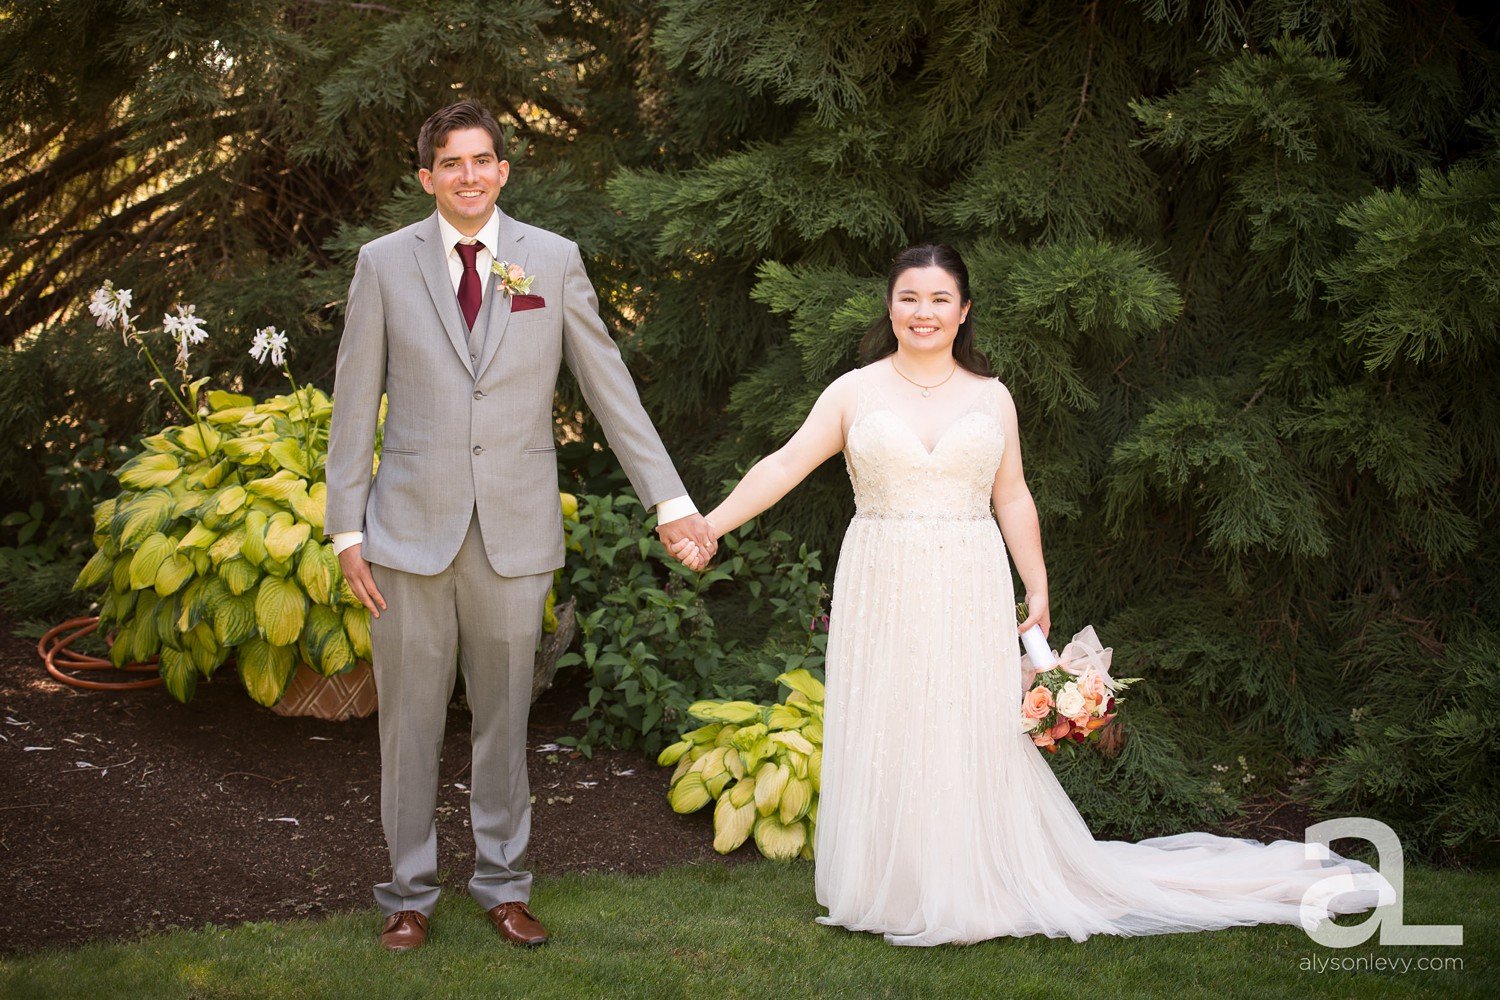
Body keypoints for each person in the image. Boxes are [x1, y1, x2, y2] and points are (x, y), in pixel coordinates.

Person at [670, 243, 1392, 946]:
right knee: (893, 715)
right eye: (909, 298)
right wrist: (712, 525)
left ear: (963, 312)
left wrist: (1037, 582)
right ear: (890, 307)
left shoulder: (992, 396)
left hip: (968, 575)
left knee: (964, 722)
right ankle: (893, 884)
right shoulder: (854, 391)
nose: (923, 312)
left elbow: (1012, 494)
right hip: (881, 577)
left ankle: (971, 878)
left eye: (939, 300)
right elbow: (787, 462)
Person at [325, 101, 716, 952]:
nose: (469, 174)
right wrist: (344, 531)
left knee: (505, 721)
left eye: (483, 160)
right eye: (450, 162)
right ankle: (408, 894)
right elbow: (355, 404)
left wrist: (671, 500)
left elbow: (609, 387)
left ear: (504, 170)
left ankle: (504, 886)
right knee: (410, 727)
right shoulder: (384, 264)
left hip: (515, 533)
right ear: (427, 177)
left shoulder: (553, 260)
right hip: (406, 536)